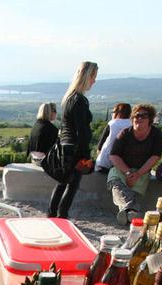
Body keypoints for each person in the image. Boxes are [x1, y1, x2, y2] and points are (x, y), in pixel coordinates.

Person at [48, 61, 97, 219]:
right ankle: (62, 215)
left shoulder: (69, 98)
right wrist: (85, 154)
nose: (94, 81)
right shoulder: (79, 100)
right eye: (93, 77)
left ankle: (52, 213)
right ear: (87, 77)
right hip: (75, 148)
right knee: (72, 185)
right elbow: (81, 129)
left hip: (66, 146)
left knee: (63, 182)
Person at [107, 103, 162, 225]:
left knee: (130, 191)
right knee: (117, 185)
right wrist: (128, 172)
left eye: (144, 116)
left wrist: (138, 174)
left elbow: (155, 156)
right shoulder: (125, 133)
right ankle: (132, 211)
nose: (139, 118)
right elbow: (114, 155)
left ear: (150, 119)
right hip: (122, 169)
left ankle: (127, 212)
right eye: (137, 115)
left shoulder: (156, 134)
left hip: (142, 171)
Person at [95, 102, 131, 173]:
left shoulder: (112, 124)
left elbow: (101, 142)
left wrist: (99, 154)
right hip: (125, 163)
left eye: (113, 112)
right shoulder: (133, 125)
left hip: (105, 161)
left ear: (118, 113)